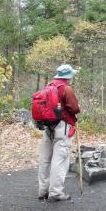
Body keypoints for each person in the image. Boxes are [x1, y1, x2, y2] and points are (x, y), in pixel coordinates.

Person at [38, 64, 80, 201]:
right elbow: (74, 108)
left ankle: (43, 190)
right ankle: (55, 192)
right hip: (62, 128)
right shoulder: (66, 89)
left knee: (45, 159)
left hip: (48, 127)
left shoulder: (48, 86)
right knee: (60, 159)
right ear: (68, 76)